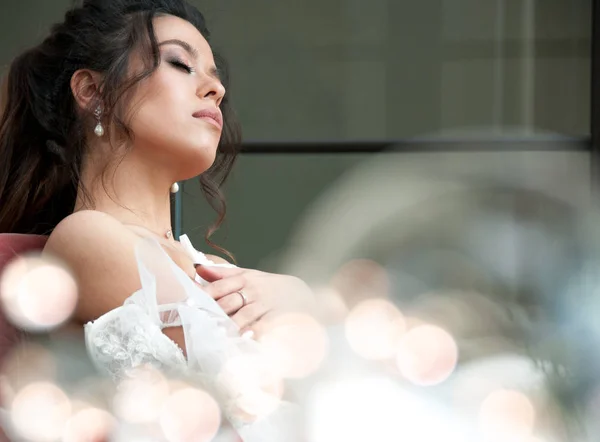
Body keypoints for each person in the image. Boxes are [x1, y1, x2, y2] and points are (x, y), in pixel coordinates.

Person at [0, 0, 315, 439]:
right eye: (181, 63)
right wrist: (308, 309)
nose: (215, 89)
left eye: (216, 75)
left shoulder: (214, 268)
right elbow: (241, 401)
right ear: (93, 91)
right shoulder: (87, 237)